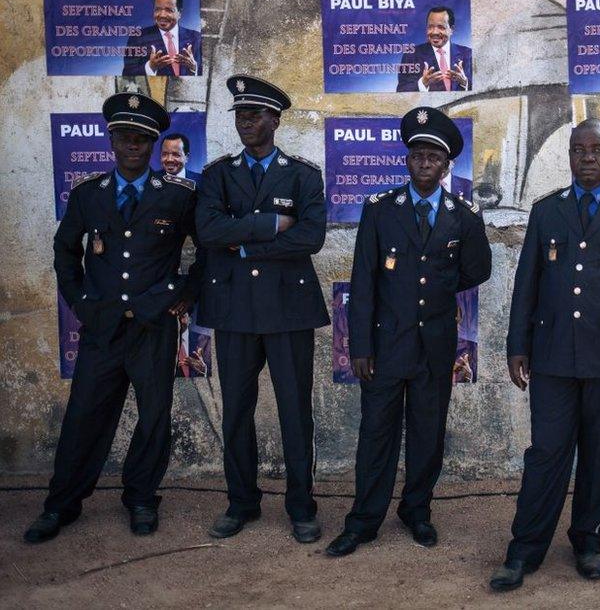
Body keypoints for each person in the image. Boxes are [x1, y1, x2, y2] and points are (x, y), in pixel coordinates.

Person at [489, 118, 600, 591]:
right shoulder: (548, 211)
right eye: (579, 150)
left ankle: (588, 539)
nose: (587, 157)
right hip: (551, 353)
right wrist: (516, 346)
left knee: (598, 451)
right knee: (546, 452)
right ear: (569, 155)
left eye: (597, 150)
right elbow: (527, 282)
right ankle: (524, 549)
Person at [24, 92, 204, 543]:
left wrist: (184, 292)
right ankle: (61, 504)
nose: (133, 146)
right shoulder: (89, 195)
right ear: (111, 140)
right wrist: (82, 304)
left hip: (152, 326)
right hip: (102, 327)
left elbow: (206, 251)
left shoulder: (178, 197)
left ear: (153, 142)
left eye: (142, 139)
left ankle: (142, 499)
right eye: (125, 137)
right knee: (84, 416)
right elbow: (65, 251)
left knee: (154, 417)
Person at [326, 107, 491, 557]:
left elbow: (477, 269)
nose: (424, 163)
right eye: (417, 154)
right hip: (383, 346)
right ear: (407, 161)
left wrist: (439, 284)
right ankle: (363, 521)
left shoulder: (463, 215)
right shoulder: (380, 211)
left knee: (427, 433)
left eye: (433, 157)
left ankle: (417, 511)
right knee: (376, 434)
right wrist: (359, 345)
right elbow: (363, 282)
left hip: (434, 348)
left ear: (445, 165)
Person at [196, 75, 329, 544]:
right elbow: (208, 232)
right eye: (240, 115)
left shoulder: (302, 174)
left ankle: (301, 507)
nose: (246, 122)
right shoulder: (216, 175)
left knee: (295, 412)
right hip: (234, 311)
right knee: (236, 412)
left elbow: (310, 238)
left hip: (289, 312)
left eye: (255, 115)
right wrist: (271, 222)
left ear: (275, 119)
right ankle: (241, 503)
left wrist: (247, 246)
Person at [123, 0, 202, 77]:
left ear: (179, 13)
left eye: (169, 10)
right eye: (157, 9)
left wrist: (194, 67)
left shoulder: (196, 38)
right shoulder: (137, 38)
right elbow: (127, 74)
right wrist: (150, 67)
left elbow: (204, 72)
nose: (162, 15)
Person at [396, 7, 472, 92]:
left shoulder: (468, 54)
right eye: (430, 27)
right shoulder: (411, 55)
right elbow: (401, 91)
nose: (434, 32)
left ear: (451, 29)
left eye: (441, 27)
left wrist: (465, 83)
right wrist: (422, 83)